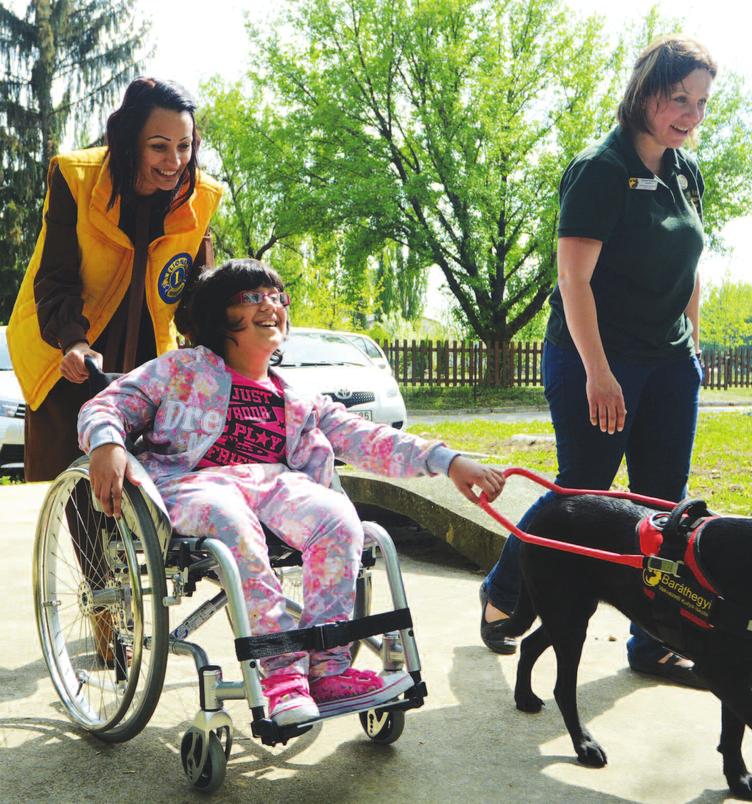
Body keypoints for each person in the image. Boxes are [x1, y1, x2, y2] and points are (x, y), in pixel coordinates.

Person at [79, 259, 506, 726]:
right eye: (252, 297)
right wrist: (106, 442)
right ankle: (282, 674)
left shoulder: (296, 397)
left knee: (339, 517)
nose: (271, 305)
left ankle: (327, 668)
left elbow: (370, 439)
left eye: (277, 297)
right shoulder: (180, 369)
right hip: (192, 485)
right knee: (231, 519)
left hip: (274, 484)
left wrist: (449, 462)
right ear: (220, 316)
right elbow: (109, 404)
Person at [478, 35, 715, 689]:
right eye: (678, 99)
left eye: (700, 102)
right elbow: (572, 281)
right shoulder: (600, 169)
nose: (690, 115)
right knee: (580, 492)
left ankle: (653, 640)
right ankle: (502, 592)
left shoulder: (685, 170)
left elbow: (691, 264)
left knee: (665, 509)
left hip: (668, 361)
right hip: (594, 356)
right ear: (645, 94)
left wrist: (692, 343)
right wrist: (599, 372)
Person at [9, 77, 223, 483]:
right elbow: (55, 277)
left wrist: (224, 344)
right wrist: (73, 341)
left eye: (184, 146)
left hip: (145, 360)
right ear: (130, 143)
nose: (174, 161)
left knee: (144, 489)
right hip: (67, 348)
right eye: (159, 146)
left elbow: (199, 292)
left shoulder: (200, 196)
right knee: (65, 486)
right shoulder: (76, 177)